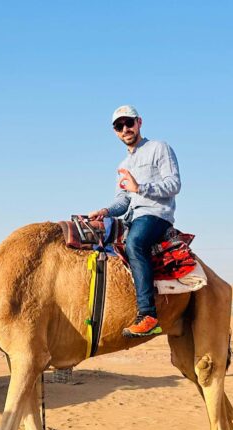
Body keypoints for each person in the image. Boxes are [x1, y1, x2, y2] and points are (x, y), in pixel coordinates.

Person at [89, 105, 181, 338]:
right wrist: (105, 210)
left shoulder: (158, 148)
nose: (125, 129)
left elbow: (174, 185)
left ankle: (148, 315)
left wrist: (141, 187)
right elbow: (123, 200)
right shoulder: (123, 165)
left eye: (129, 123)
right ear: (115, 132)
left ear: (139, 122)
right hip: (133, 216)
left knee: (134, 244)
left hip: (156, 214)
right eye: (119, 126)